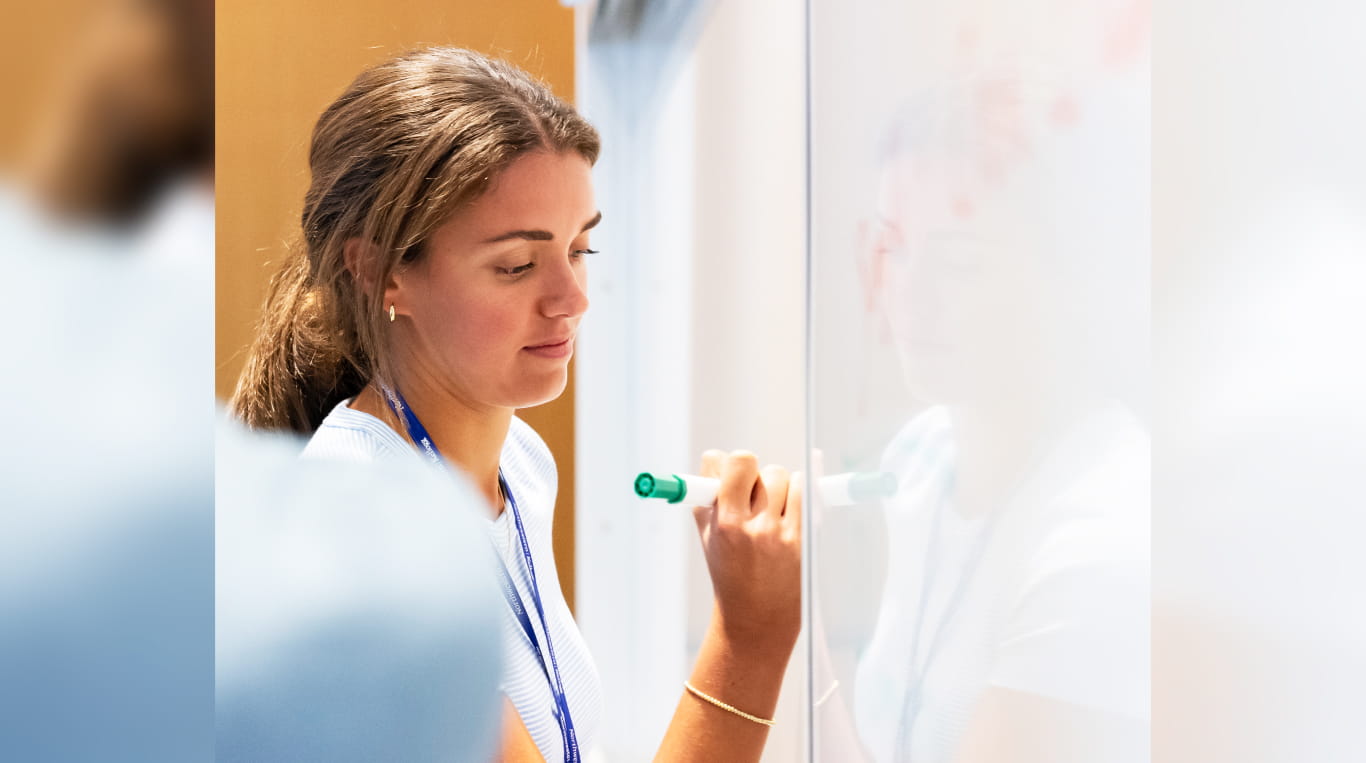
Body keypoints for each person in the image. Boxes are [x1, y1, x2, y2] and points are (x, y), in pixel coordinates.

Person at [229, 47, 801, 762]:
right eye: (517, 265)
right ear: (378, 271)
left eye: (581, 249)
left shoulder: (522, 464)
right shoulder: (361, 544)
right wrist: (751, 637)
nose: (573, 298)